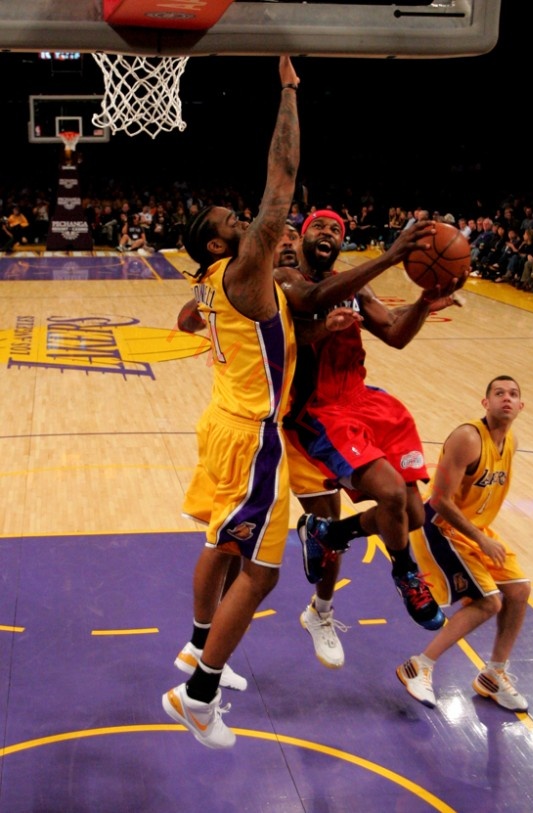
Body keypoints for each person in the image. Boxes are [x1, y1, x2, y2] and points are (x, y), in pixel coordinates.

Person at [162, 56, 302, 750]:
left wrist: (202, 318)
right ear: (222, 242)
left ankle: (197, 648)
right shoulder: (245, 270)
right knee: (262, 572)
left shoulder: (211, 278)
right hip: (253, 436)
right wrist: (289, 91)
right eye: (232, 219)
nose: (247, 218)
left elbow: (188, 318)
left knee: (219, 541)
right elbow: (282, 181)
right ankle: (198, 694)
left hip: (221, 421)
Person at [277, 209, 467, 665]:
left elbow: (396, 335)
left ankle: (329, 534)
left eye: (336, 229)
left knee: (413, 514)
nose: (328, 232)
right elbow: (309, 304)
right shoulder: (283, 277)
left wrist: (423, 302)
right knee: (389, 494)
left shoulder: (356, 287)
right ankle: (401, 576)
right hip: (315, 410)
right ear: (302, 238)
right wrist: (390, 256)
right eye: (319, 227)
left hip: (363, 402)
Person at [396, 376, 530, 713]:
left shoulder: (511, 442)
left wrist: (480, 535)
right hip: (440, 527)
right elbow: (439, 501)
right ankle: (419, 666)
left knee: (519, 591)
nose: (506, 398)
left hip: (473, 530)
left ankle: (493, 675)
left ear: (521, 406)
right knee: (489, 602)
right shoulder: (468, 439)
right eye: (499, 393)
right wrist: (480, 538)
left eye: (513, 394)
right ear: (485, 403)